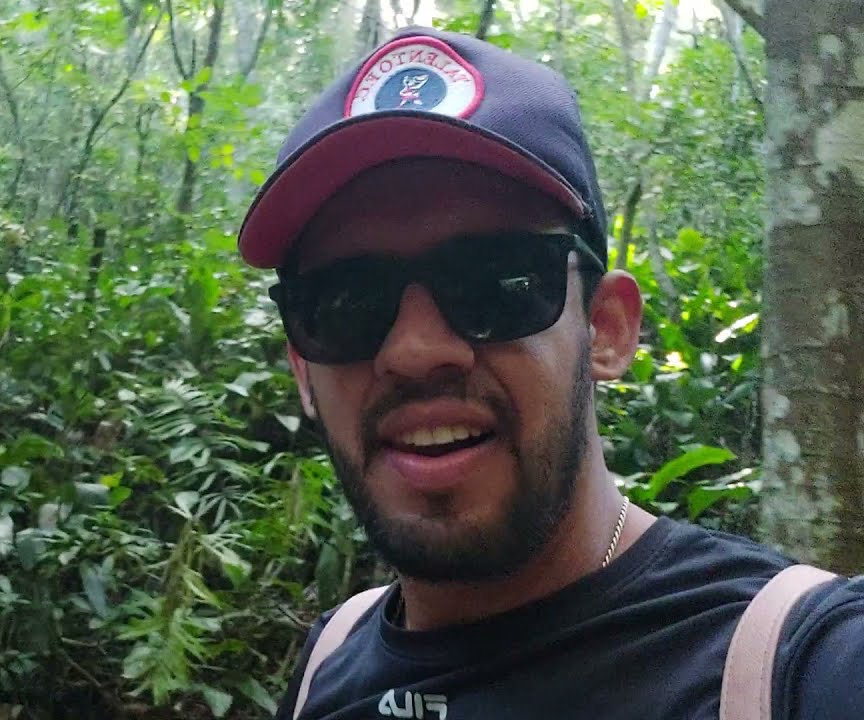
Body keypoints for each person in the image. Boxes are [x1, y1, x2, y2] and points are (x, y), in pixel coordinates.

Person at [236, 27, 864, 719]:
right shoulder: (329, 662)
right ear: (303, 369)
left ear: (605, 328)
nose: (415, 351)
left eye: (495, 281)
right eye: (345, 302)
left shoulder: (799, 665)